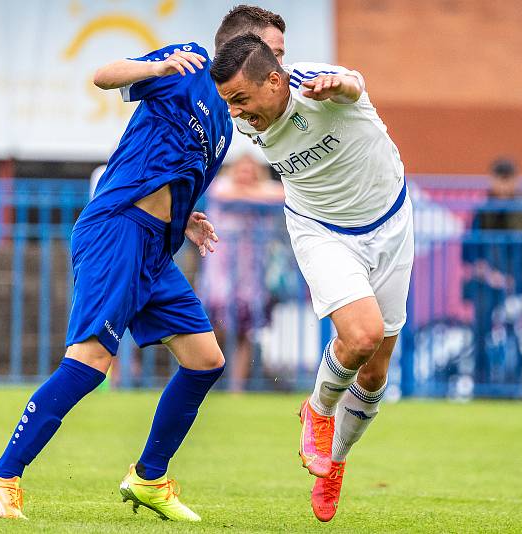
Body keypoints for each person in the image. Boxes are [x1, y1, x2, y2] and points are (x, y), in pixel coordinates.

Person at [0, 8, 287, 522]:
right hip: (117, 229)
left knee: (206, 359)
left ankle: (149, 477)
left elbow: (166, 167)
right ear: (245, 46)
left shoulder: (229, 122)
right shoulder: (190, 65)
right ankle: (1, 475)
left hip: (156, 247)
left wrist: (183, 220)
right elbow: (102, 75)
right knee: (93, 360)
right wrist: (154, 69)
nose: (280, 62)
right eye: (274, 50)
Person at [211, 35, 413, 522]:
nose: (236, 113)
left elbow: (352, 85)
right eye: (229, 103)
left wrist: (339, 84)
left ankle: (335, 463)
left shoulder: (309, 84)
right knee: (361, 334)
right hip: (320, 228)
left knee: (375, 371)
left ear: (276, 80)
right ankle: (319, 411)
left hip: (390, 222)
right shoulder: (246, 117)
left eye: (242, 100)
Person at [461, 158, 522, 385]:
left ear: (517, 179)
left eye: (508, 179)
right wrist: (492, 277)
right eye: (499, 179)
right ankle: (482, 379)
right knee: (482, 325)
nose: (504, 186)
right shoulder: (482, 211)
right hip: (489, 286)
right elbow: (470, 255)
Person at [201, 153, 284, 391]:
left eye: (251, 171)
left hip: (250, 277)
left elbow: (282, 194)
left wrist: (248, 194)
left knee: (245, 331)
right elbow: (221, 194)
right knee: (214, 326)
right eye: (241, 170)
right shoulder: (220, 186)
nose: (245, 176)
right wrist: (252, 196)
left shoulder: (268, 190)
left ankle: (236, 386)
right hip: (220, 274)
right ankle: (206, 377)